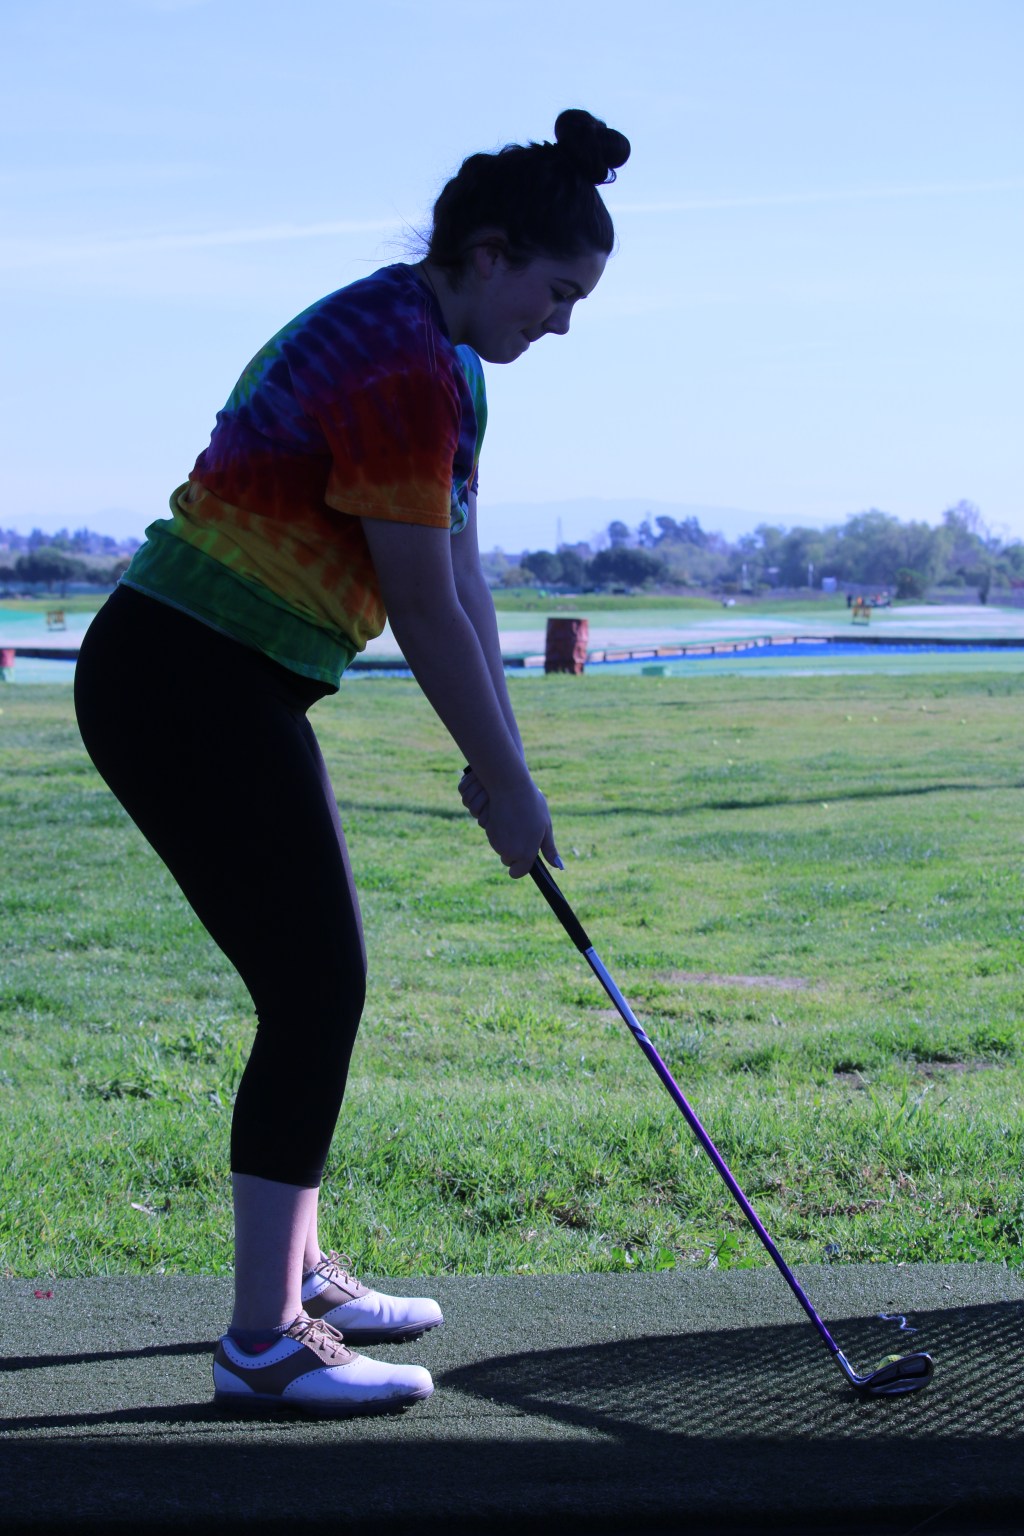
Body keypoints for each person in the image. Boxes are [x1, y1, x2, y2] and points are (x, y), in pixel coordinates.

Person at [74, 108, 630, 1418]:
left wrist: (507, 762)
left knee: (313, 980)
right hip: (182, 678)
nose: (563, 323)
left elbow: (465, 577)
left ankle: (301, 1282)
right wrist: (501, 777)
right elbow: (418, 606)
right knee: (318, 987)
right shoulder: (402, 365)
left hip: (232, 684)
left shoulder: (447, 363)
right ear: (488, 256)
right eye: (557, 292)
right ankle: (262, 1342)